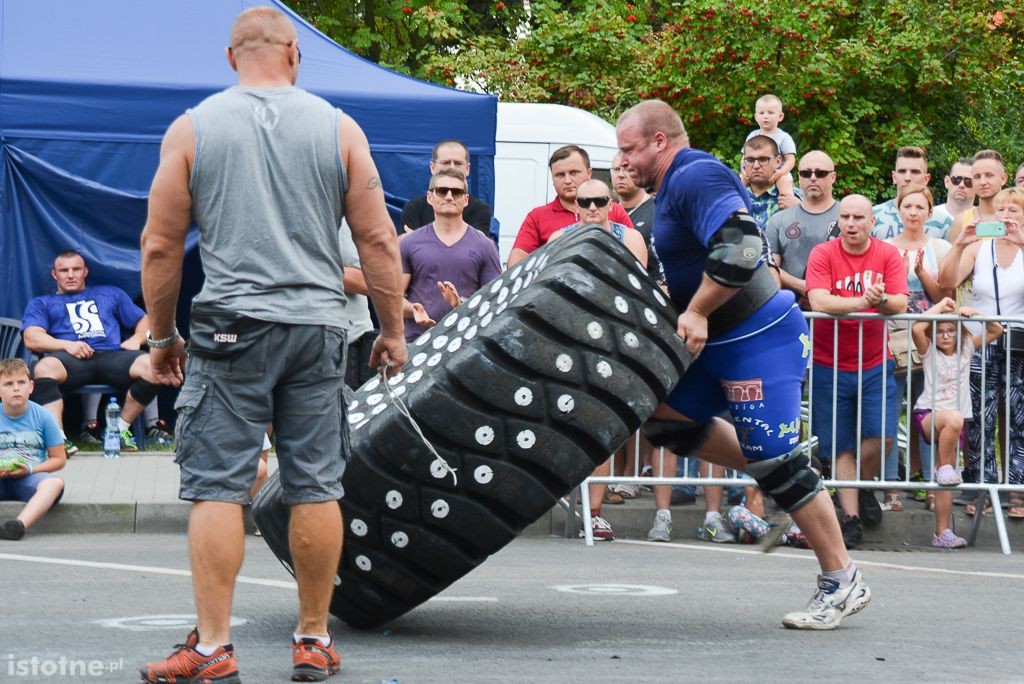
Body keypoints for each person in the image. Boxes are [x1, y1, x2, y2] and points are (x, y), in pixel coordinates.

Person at [137, 7, 408, 682]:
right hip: (317, 327)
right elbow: (378, 240)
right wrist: (392, 330)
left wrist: (163, 338)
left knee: (219, 487)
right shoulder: (340, 128)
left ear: (232, 59)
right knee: (315, 484)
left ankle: (213, 648)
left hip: (231, 327)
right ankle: (313, 639)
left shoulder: (193, 128)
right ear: (294, 54)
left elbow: (160, 245)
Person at [617, 99, 871, 629]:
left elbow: (742, 245)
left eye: (629, 149)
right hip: (718, 344)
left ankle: (843, 581)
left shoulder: (695, 174)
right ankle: (782, 473)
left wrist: (696, 310)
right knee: (663, 420)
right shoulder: (671, 188)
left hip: (759, 337)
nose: (623, 162)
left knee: (777, 462)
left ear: (659, 141)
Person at [805, 194, 909, 547]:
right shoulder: (823, 253)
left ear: (872, 222)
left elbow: (900, 302)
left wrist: (880, 300)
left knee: (884, 437)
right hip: (828, 363)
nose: (851, 224)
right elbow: (818, 299)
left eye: (858, 217)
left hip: (874, 363)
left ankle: (860, 486)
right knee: (840, 446)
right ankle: (850, 519)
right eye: (845, 217)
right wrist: (864, 302)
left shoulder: (887, 254)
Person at [549, 178, 648, 540]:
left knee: (603, 426)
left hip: (613, 343)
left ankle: (594, 513)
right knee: (567, 425)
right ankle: (571, 506)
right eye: (585, 201)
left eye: (600, 201)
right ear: (575, 205)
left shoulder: (629, 238)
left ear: (611, 203)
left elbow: (636, 288)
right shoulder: (559, 238)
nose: (592, 207)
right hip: (571, 342)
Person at [937, 187, 1024, 517]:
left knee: (1020, 419)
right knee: (980, 419)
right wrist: (960, 244)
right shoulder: (980, 247)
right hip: (982, 342)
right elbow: (946, 281)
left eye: (1014, 210)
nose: (1006, 216)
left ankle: (1018, 490)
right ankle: (980, 487)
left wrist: (1021, 243)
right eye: (1001, 210)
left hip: (1020, 343)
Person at [22, 251, 162, 453]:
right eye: (64, 270)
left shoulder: (111, 293)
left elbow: (144, 320)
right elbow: (32, 337)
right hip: (71, 358)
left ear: (85, 272)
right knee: (43, 368)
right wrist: (66, 345)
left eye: (76, 269)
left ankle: (119, 431)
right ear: (54, 274)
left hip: (112, 356)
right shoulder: (42, 302)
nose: (71, 275)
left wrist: (137, 338)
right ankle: (58, 440)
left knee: (154, 366)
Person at [911, 299, 1004, 547]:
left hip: (954, 425)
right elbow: (917, 328)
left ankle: (942, 533)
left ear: (959, 333)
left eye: (951, 330)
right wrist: (941, 306)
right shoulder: (929, 351)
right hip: (930, 415)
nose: (945, 335)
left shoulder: (966, 349)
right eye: (940, 331)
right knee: (953, 419)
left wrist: (975, 312)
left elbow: (996, 330)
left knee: (947, 476)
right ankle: (942, 469)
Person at [882, 185, 953, 511]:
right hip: (893, 339)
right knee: (889, 411)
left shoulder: (940, 247)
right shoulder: (884, 248)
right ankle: (890, 486)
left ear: (929, 212)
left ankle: (931, 485)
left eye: (919, 207)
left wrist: (922, 272)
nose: (913, 212)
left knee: (929, 414)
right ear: (899, 210)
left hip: (931, 340)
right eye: (907, 206)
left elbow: (945, 297)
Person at [401, 168, 502, 342]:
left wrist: (460, 305)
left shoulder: (485, 246)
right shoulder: (409, 243)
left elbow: (495, 302)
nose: (449, 197)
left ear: (466, 199)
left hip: (465, 345)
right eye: (442, 191)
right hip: (416, 343)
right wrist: (414, 310)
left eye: (456, 192)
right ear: (429, 197)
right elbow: (391, 300)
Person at [507, 145, 633, 267]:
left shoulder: (614, 210)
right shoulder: (537, 217)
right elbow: (516, 260)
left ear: (589, 173)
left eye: (574, 173)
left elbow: (633, 256)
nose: (567, 181)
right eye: (560, 175)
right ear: (552, 178)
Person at [0, 359, 67, 541]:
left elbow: (59, 459)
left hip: (29, 476)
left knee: (55, 483)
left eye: (21, 382)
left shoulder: (44, 416)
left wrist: (30, 469)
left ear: (30, 387)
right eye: (8, 384)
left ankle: (17, 526)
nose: (16, 388)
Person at [764, 151, 840, 309]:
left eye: (820, 173)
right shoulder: (778, 220)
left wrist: (820, 294)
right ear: (799, 177)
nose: (813, 178)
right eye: (806, 173)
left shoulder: (849, 216)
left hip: (839, 310)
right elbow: (770, 268)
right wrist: (801, 286)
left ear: (833, 177)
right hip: (793, 309)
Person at [401, 139, 493, 235]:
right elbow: (409, 244)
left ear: (467, 169)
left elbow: (477, 244)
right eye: (445, 163)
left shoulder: (479, 209)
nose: (452, 168)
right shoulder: (414, 208)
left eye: (458, 163)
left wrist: (420, 239)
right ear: (432, 167)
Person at [611, 151, 662, 281]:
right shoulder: (604, 212)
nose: (621, 175)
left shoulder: (660, 212)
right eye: (616, 169)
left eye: (628, 169)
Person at [743, 94, 797, 201]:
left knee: (785, 179)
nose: (765, 116)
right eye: (761, 113)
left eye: (770, 113)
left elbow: (791, 160)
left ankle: (787, 202)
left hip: (779, 172)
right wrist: (744, 171)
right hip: (755, 173)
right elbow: (745, 157)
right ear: (756, 117)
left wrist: (780, 173)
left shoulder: (784, 137)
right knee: (740, 179)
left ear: (780, 117)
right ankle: (737, 202)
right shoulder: (752, 135)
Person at [949, 149, 1009, 244]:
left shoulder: (1017, 217)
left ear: (1003, 179)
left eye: (989, 175)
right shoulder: (961, 221)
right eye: (977, 177)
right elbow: (954, 253)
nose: (982, 182)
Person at [741, 134, 799, 230]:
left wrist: (801, 211)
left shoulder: (795, 198)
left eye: (763, 159)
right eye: (750, 160)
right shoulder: (733, 198)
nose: (756, 166)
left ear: (778, 161)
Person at [932, 158, 977, 229]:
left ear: (977, 186)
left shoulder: (983, 220)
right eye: (956, 179)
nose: (961, 185)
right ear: (947, 181)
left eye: (968, 182)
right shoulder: (929, 216)